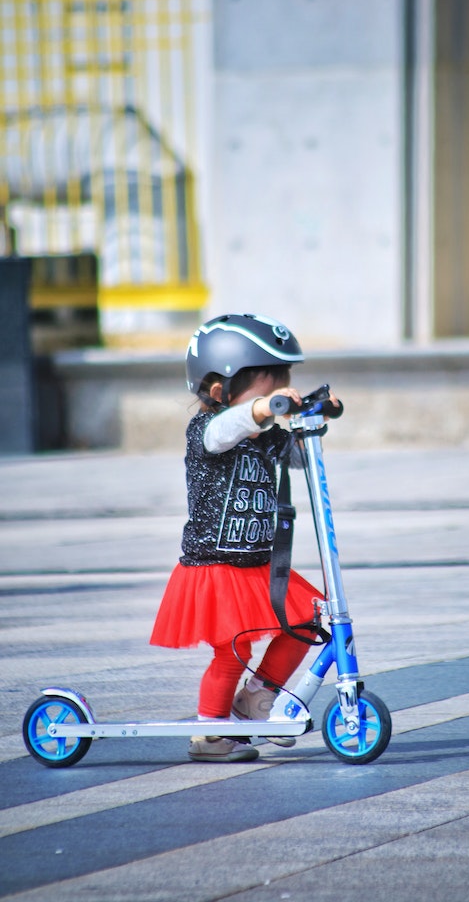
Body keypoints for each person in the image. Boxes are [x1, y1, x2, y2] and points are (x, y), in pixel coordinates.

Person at [150, 313, 329, 763]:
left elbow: (300, 464)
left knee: (307, 620)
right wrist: (260, 411)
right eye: (267, 391)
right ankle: (209, 734)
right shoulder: (208, 432)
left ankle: (257, 696)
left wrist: (310, 418)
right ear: (219, 391)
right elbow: (227, 429)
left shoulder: (261, 437)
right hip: (214, 565)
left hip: (255, 563)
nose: (275, 401)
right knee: (232, 650)